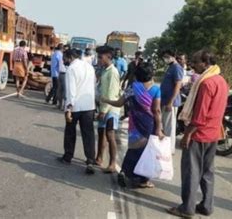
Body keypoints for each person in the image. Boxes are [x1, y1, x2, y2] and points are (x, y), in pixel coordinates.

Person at [167, 50, 229, 218]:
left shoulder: (206, 83)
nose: (193, 66)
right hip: (214, 133)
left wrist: (187, 135)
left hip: (199, 134)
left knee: (191, 172)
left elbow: (199, 116)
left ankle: (187, 208)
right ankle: (207, 205)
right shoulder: (222, 81)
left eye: (196, 62)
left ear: (205, 63)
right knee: (207, 172)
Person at [101, 63, 164, 188]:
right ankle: (142, 179)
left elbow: (119, 103)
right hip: (149, 124)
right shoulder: (156, 90)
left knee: (134, 147)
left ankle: (125, 171)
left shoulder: (132, 87)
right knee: (146, 151)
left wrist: (106, 100)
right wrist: (159, 129)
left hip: (134, 123)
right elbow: (156, 111)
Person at [58, 49, 97, 174]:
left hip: (75, 106)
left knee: (70, 131)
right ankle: (90, 160)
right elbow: (94, 86)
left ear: (69, 57)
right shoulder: (90, 67)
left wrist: (69, 108)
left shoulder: (71, 69)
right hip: (89, 105)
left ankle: (68, 157)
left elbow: (71, 90)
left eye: (64, 58)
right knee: (88, 134)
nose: (63, 61)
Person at [95, 45, 121, 173]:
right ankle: (99, 157)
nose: (98, 60)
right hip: (102, 106)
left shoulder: (113, 72)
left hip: (111, 109)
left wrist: (104, 110)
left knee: (110, 135)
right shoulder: (104, 70)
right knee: (101, 133)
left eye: (100, 57)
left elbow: (111, 93)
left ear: (109, 57)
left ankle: (112, 163)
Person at [160, 49, 184, 154]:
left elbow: (178, 85)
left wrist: (170, 102)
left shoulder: (177, 68)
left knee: (169, 127)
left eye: (167, 56)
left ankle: (169, 149)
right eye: (164, 57)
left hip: (171, 102)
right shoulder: (170, 67)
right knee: (164, 125)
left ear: (173, 56)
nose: (165, 59)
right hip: (164, 100)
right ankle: (164, 147)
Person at [121, 51, 144, 120]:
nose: (138, 57)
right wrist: (124, 81)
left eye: (139, 56)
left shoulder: (143, 65)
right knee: (126, 99)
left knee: (137, 101)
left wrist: (138, 64)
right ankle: (126, 114)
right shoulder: (131, 64)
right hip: (130, 84)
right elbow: (128, 73)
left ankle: (136, 115)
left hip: (139, 85)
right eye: (137, 55)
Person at [56, 45, 70, 110]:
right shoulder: (62, 56)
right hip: (61, 74)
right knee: (60, 90)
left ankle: (63, 105)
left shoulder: (65, 57)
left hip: (64, 74)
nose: (64, 50)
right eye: (64, 48)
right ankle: (61, 105)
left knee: (63, 91)